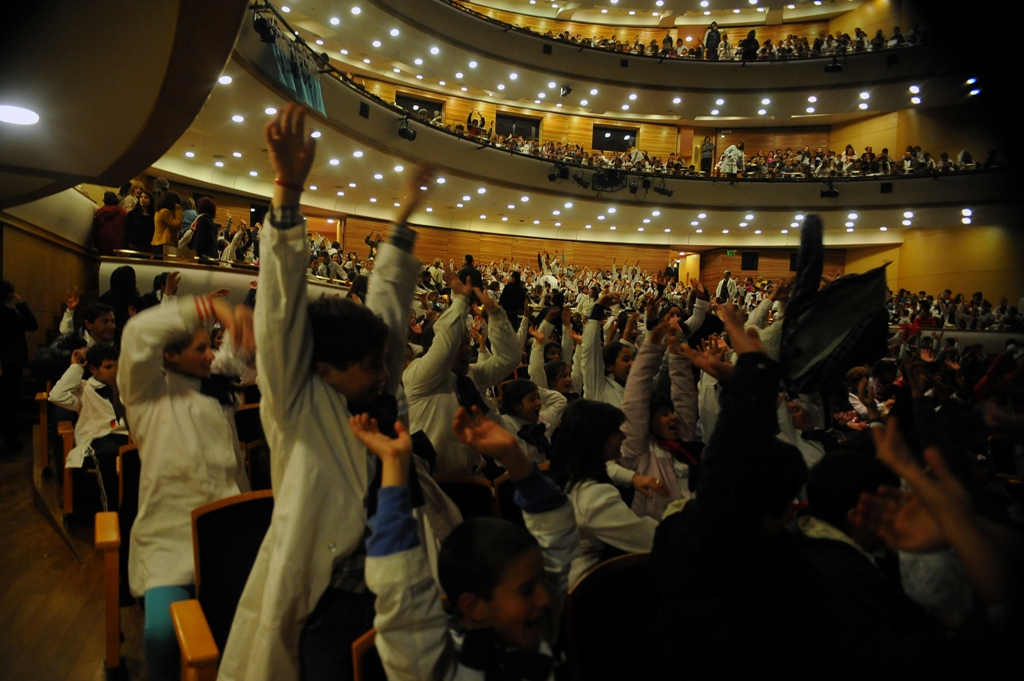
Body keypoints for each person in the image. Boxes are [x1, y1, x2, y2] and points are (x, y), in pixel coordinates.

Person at [219, 105, 427, 681]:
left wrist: (406, 212)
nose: (384, 374)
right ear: (326, 370)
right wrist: (287, 192)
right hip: (328, 604)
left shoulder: (380, 404)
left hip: (403, 582)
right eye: (368, 367)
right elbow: (280, 311)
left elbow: (387, 301)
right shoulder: (299, 403)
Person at [359, 405, 579, 680]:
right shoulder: (439, 668)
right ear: (473, 607)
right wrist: (393, 467)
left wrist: (515, 458)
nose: (545, 598)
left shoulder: (530, 629)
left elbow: (557, 537)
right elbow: (400, 592)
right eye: (526, 590)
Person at [118, 286, 252, 681]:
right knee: (161, 635)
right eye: (199, 349)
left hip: (226, 532)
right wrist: (208, 307)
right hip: (169, 537)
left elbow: (234, 470)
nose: (210, 355)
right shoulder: (145, 392)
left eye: (208, 347)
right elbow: (137, 334)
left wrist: (241, 320)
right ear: (169, 355)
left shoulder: (214, 390)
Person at [404, 270, 520, 477]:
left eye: (468, 343)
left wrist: (496, 315)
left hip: (472, 480)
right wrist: (460, 301)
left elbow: (509, 358)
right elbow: (445, 347)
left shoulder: (472, 376)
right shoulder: (418, 374)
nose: (467, 349)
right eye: (460, 344)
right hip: (431, 481)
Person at [549, 399, 660, 587]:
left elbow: (608, 469)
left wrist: (632, 478)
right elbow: (651, 540)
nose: (623, 437)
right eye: (615, 433)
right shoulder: (593, 497)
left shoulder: (568, 475)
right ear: (596, 441)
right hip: (585, 592)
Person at [47, 343, 128, 512]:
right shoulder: (84, 389)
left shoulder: (126, 388)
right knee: (108, 453)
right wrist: (76, 367)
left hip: (125, 436)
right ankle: (111, 513)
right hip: (99, 438)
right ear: (93, 369)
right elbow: (56, 396)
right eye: (108, 367)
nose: (115, 371)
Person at [1, 280, 38, 454]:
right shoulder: (8, 314)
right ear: (9, 295)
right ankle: (11, 442)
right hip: (10, 364)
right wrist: (21, 304)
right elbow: (32, 325)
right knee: (10, 404)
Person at [92, 191, 127, 256]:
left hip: (102, 241)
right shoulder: (122, 212)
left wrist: (95, 243)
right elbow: (126, 228)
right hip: (117, 242)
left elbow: (96, 229)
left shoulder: (99, 212)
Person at [151, 190, 182, 256]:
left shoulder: (159, 211)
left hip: (159, 243)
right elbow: (177, 225)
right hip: (164, 243)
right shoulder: (165, 212)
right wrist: (178, 211)